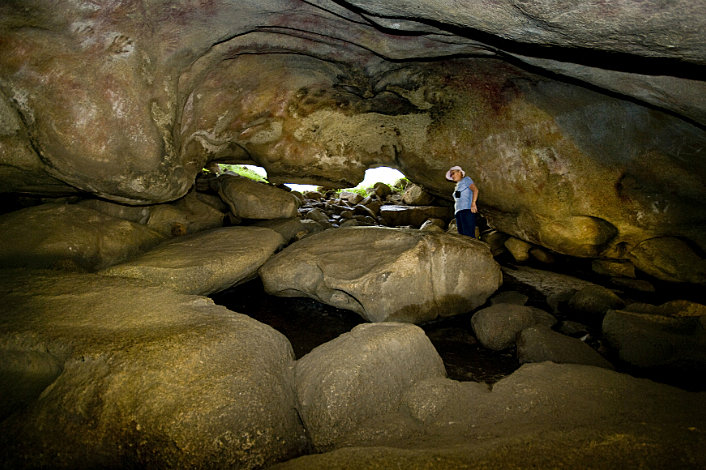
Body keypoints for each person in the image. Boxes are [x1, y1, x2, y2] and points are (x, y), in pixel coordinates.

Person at [446, 165, 479, 238]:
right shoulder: (457, 186)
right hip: (458, 212)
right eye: (451, 175)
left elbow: (475, 190)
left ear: (459, 172)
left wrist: (473, 203)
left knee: (468, 235)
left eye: (453, 173)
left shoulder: (466, 180)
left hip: (467, 209)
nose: (452, 176)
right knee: (462, 235)